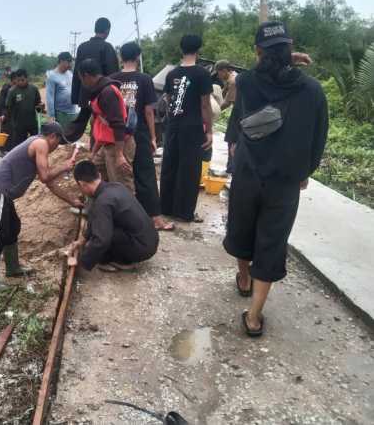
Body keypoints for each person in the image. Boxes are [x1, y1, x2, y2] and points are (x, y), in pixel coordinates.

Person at [223, 21, 328, 337]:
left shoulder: (247, 84)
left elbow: (241, 119)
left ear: (257, 52)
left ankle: (243, 279)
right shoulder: (312, 91)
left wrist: (281, 57)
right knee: (272, 241)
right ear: (290, 49)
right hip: (285, 181)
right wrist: (305, 172)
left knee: (243, 227)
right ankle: (254, 317)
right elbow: (319, 137)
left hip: (247, 172)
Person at [0, 122, 81, 290]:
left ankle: (12, 268)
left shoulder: (38, 146)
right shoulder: (40, 143)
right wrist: (64, 166)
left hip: (3, 193)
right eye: (58, 142)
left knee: (13, 227)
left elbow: (50, 183)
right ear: (52, 137)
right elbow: (44, 176)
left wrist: (72, 200)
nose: (57, 147)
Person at [110, 42, 174, 231]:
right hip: (139, 132)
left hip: (118, 134)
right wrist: (154, 137)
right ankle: (154, 218)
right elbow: (148, 111)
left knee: (121, 175)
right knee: (145, 173)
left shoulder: (112, 79)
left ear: (121, 57)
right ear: (138, 56)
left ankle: (124, 217)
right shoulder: (145, 79)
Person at [159, 35, 213, 222]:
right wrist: (209, 131)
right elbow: (205, 105)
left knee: (170, 165)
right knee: (189, 169)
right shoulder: (202, 74)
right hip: (192, 127)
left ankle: (165, 207)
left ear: (181, 50)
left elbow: (167, 99)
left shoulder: (172, 74)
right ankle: (184, 212)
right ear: (198, 50)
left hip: (173, 125)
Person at [70, 160, 159, 272]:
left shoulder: (102, 202)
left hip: (140, 249)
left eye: (80, 187)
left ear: (82, 184)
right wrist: (82, 240)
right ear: (99, 175)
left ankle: (121, 261)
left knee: (101, 236)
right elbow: (94, 218)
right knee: (101, 225)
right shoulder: (116, 186)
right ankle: (125, 256)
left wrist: (82, 261)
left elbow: (101, 241)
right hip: (150, 240)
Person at [75, 58, 135, 191]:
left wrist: (119, 155)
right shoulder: (98, 92)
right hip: (107, 144)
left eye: (81, 79)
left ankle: (128, 210)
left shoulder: (107, 92)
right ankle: (103, 207)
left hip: (119, 144)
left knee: (121, 185)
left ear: (86, 76)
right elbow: (103, 128)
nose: (82, 83)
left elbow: (118, 125)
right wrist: (94, 152)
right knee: (95, 171)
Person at [71, 17, 120, 106]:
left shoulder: (82, 47)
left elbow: (77, 74)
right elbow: (113, 74)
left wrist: (75, 97)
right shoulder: (107, 47)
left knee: (86, 120)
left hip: (84, 98)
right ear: (107, 30)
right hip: (102, 98)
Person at [5, 69, 42, 149]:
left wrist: (41, 107)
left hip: (32, 122)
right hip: (19, 124)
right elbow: (8, 108)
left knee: (35, 142)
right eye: (18, 80)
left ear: (27, 78)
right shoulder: (12, 91)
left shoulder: (34, 89)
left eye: (22, 80)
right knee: (20, 146)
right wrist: (11, 123)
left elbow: (38, 104)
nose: (20, 82)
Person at [46, 52, 79, 129]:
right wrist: (51, 115)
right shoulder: (52, 76)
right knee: (61, 137)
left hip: (72, 112)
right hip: (60, 113)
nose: (71, 64)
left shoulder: (70, 74)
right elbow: (50, 97)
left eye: (71, 61)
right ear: (61, 61)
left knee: (71, 136)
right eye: (69, 62)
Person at [0, 71, 17, 137]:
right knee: (6, 138)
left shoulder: (15, 89)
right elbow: (0, 104)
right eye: (18, 79)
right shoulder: (6, 89)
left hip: (12, 119)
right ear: (13, 80)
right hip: (7, 119)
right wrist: (4, 115)